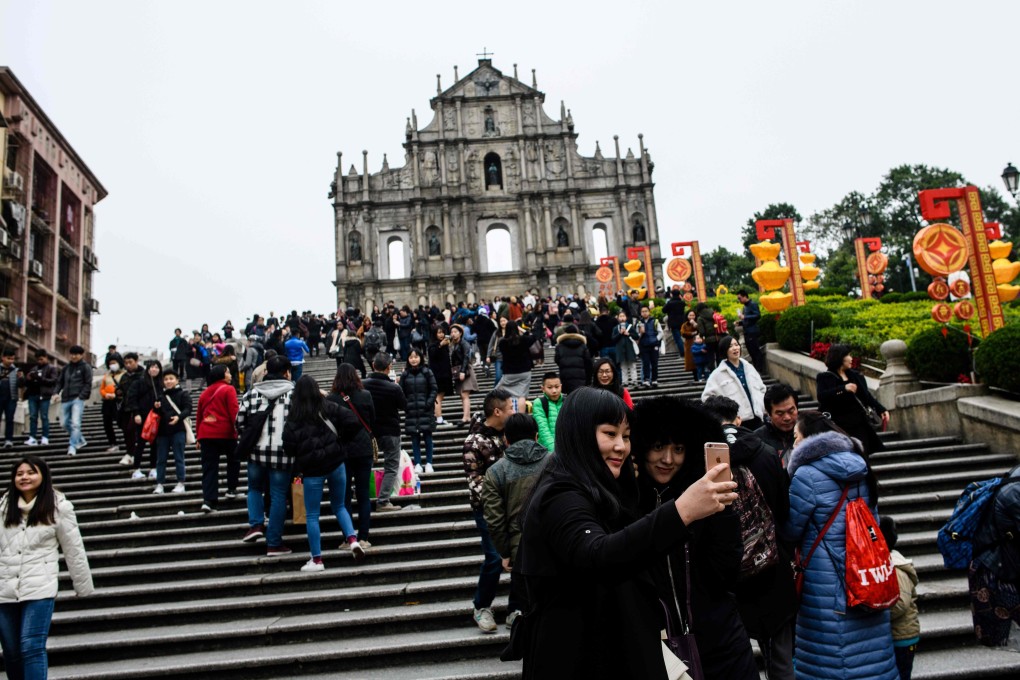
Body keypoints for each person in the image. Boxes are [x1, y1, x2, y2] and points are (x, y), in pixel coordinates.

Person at [515, 387, 738, 678]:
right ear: (579, 433)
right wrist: (683, 510)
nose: (621, 446)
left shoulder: (593, 489)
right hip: (578, 660)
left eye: (627, 435)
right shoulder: (561, 493)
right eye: (610, 434)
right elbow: (597, 555)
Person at [631, 395, 759, 679]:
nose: (668, 459)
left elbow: (725, 572)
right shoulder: (628, 502)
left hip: (720, 643)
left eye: (678, 448)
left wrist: (721, 512)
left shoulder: (706, 497)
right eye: (658, 446)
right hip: (658, 650)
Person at [781, 411, 895, 680]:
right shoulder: (861, 466)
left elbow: (790, 530)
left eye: (796, 437)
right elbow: (874, 522)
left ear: (810, 440)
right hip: (867, 577)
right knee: (872, 655)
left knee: (831, 659)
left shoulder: (806, 475)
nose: (794, 443)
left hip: (827, 583)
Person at [702, 395, 796, 680]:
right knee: (781, 655)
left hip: (727, 573)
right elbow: (783, 509)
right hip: (772, 563)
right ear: (738, 418)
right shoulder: (767, 452)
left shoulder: (703, 462)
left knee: (735, 656)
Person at [0, 456, 93, 678]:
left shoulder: (59, 507)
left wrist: (83, 586)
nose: (25, 477)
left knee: (31, 646)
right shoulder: (3, 508)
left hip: (40, 587)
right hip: (4, 587)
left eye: (31, 472)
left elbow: (74, 549)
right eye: (20, 473)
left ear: (43, 476)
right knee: (11, 652)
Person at [283, 375, 365, 569]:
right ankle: (353, 539)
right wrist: (340, 443)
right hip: (336, 464)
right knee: (340, 506)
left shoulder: (294, 417)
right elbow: (354, 421)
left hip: (312, 470)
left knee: (312, 515)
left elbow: (288, 446)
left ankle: (317, 559)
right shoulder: (328, 406)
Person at [480, 413, 549, 628]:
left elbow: (495, 520)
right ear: (537, 436)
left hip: (521, 552)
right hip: (556, 546)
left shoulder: (495, 472)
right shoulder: (555, 462)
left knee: (529, 611)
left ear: (506, 440)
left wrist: (505, 552)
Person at [462, 388, 513, 633]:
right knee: (494, 557)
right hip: (487, 509)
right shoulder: (474, 441)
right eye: (510, 408)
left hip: (513, 506)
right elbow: (475, 481)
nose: (513, 412)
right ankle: (481, 606)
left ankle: (516, 608)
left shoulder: (507, 435)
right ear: (497, 411)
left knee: (519, 558)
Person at [237, 355, 296, 556]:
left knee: (254, 488)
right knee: (279, 495)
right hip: (283, 453)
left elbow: (240, 422)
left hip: (255, 452)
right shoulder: (294, 394)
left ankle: (255, 525)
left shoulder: (252, 393)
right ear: (287, 372)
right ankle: (274, 543)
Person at [328, 364, 376, 550]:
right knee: (363, 494)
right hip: (363, 449)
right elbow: (372, 421)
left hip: (342, 451)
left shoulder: (332, 399)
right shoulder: (365, 395)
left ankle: (348, 537)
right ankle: (364, 536)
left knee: (344, 496)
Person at [817, 344, 888, 455]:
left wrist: (881, 410)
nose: (851, 358)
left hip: (858, 424)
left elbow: (866, 396)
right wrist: (843, 389)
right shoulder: (825, 377)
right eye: (848, 355)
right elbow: (822, 396)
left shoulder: (855, 376)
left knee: (863, 457)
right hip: (838, 426)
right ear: (839, 357)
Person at [363, 353, 407, 511]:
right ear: (389, 367)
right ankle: (383, 501)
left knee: (365, 465)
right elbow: (403, 405)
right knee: (391, 466)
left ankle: (360, 494)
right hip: (390, 430)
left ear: (373, 365)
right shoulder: (393, 387)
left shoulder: (363, 384)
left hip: (369, 431)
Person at [880, 516, 919, 680]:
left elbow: (900, 604)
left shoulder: (895, 567)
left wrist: (878, 616)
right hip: (897, 635)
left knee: (902, 674)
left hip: (903, 637)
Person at [196, 364, 239, 512]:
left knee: (209, 468)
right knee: (233, 460)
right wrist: (238, 430)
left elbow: (199, 416)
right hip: (225, 432)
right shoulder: (229, 389)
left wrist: (198, 437)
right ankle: (231, 489)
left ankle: (209, 500)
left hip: (206, 434)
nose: (230, 375)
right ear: (221, 375)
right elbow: (234, 411)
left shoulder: (204, 393)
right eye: (228, 372)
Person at [702, 335, 766, 430]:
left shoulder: (749, 368)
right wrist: (726, 413)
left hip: (758, 418)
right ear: (724, 350)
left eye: (736, 344)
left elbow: (762, 388)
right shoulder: (718, 374)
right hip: (737, 422)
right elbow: (706, 398)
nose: (735, 348)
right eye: (730, 346)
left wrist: (762, 407)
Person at [153, 370, 191, 495]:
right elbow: (156, 414)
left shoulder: (183, 394)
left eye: (171, 378)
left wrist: (178, 417)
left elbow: (188, 408)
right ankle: (159, 484)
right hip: (162, 432)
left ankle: (181, 482)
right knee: (161, 459)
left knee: (179, 457)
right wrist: (156, 407)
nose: (168, 381)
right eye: (166, 379)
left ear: (177, 380)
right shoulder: (160, 396)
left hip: (178, 430)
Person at [401, 348, 438, 475]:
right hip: (411, 411)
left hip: (425, 410)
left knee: (428, 437)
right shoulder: (405, 374)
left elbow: (434, 389)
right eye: (411, 357)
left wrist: (428, 403)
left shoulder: (427, 372)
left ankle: (429, 463)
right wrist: (406, 405)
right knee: (414, 439)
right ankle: (417, 463)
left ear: (421, 358)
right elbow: (401, 392)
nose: (413, 359)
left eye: (416, 357)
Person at [126, 360, 164, 481]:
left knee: (155, 444)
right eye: (152, 367)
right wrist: (136, 413)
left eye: (157, 367)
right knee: (140, 443)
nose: (154, 369)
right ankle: (136, 468)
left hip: (156, 417)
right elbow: (132, 398)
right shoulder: (139, 383)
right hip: (142, 417)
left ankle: (153, 468)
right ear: (148, 369)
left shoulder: (161, 384)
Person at [56, 345, 92, 456]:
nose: (73, 356)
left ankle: (72, 446)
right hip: (66, 398)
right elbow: (60, 382)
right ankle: (80, 440)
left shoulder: (85, 367)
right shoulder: (66, 368)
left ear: (81, 355)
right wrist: (56, 392)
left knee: (76, 423)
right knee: (63, 423)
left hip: (77, 398)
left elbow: (88, 383)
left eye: (76, 354)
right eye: (72, 354)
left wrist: (81, 396)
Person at [755, 384, 799, 467]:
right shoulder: (758, 441)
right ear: (768, 413)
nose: (787, 418)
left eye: (791, 411)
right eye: (780, 413)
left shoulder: (810, 432)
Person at [116, 352, 145, 467]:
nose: (128, 365)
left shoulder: (143, 375)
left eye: (130, 362)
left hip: (140, 408)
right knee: (128, 432)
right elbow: (120, 390)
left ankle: (134, 454)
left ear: (136, 361)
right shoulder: (124, 376)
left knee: (135, 431)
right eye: (126, 363)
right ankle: (131, 453)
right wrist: (117, 392)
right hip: (126, 408)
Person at [22, 350, 56, 448]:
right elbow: (26, 384)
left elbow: (53, 381)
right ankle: (32, 437)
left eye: (41, 359)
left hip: (44, 396)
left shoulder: (51, 368)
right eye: (38, 359)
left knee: (44, 416)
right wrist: (28, 379)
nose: (39, 361)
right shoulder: (34, 368)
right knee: (33, 417)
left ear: (46, 357)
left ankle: (45, 437)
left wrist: (40, 378)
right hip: (32, 395)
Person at [496, 320, 535, 400]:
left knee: (497, 392)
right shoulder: (524, 340)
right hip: (525, 371)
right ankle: (520, 412)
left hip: (509, 373)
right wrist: (522, 330)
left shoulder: (502, 342)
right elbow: (533, 337)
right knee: (522, 395)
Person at [449, 324, 477, 427]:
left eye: (455, 332)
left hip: (464, 371)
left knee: (465, 394)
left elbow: (466, 357)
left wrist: (463, 371)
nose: (453, 334)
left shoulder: (464, 343)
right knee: (462, 395)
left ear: (460, 333)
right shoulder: (454, 344)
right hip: (458, 371)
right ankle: (467, 416)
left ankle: (465, 417)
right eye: (452, 332)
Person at [553, 324, 592, 394]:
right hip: (580, 376)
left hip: (565, 376)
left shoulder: (560, 346)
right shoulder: (583, 346)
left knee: (569, 396)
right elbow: (588, 362)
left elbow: (557, 360)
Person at [428, 325, 454, 427]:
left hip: (445, 374)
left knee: (440, 396)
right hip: (438, 375)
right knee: (438, 397)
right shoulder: (433, 345)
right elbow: (432, 354)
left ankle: (437, 417)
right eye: (439, 332)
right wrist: (440, 345)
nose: (441, 334)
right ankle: (439, 419)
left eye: (443, 332)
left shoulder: (445, 344)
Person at [99, 354, 126, 453]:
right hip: (107, 401)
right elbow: (101, 388)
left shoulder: (124, 374)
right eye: (110, 363)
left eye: (114, 363)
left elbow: (126, 388)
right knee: (107, 423)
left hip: (119, 401)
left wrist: (116, 395)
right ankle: (113, 443)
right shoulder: (107, 376)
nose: (112, 365)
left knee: (121, 423)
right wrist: (105, 394)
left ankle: (130, 441)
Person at [531, 373, 562, 452]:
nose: (554, 391)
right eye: (550, 387)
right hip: (547, 452)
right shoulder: (539, 403)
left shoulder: (567, 401)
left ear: (561, 386)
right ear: (543, 388)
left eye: (557, 387)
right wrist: (554, 451)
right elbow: (543, 430)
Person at [737, 290, 764, 372]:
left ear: (745, 296)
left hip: (752, 331)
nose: (739, 300)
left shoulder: (753, 304)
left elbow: (757, 315)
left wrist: (745, 317)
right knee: (751, 351)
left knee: (755, 350)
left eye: (740, 298)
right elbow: (746, 319)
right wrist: (740, 322)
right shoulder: (745, 307)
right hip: (747, 332)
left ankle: (759, 369)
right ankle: (756, 368)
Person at [611, 310, 639, 387]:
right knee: (623, 367)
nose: (622, 318)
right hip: (620, 350)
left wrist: (629, 333)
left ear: (626, 317)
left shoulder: (630, 327)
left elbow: (637, 336)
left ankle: (634, 380)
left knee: (632, 366)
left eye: (623, 316)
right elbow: (613, 339)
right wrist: (620, 333)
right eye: (620, 316)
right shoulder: (616, 328)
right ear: (618, 318)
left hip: (630, 349)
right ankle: (625, 381)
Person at [662, 288, 687, 356]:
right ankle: (686, 351)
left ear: (671, 294)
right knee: (683, 337)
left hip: (673, 323)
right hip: (682, 322)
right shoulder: (682, 302)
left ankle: (682, 353)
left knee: (677, 338)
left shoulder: (670, 303)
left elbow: (663, 310)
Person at [695, 303, 720, 372]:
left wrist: (700, 336)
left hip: (709, 340)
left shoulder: (700, 318)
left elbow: (702, 332)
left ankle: (713, 373)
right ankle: (721, 371)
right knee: (719, 356)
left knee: (711, 358)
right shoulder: (714, 314)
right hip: (718, 338)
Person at [486, 315, 508, 386]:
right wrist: (488, 356)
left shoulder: (511, 331)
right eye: (501, 321)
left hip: (509, 358)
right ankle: (495, 391)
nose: (502, 323)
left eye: (504, 320)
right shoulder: (496, 332)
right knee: (498, 377)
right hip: (498, 358)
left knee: (506, 378)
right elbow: (491, 344)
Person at [680, 310, 699, 381]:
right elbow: (683, 333)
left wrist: (695, 325)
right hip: (689, 343)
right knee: (692, 360)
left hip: (699, 342)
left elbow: (700, 330)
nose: (691, 317)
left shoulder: (697, 322)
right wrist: (692, 333)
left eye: (693, 315)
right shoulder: (684, 325)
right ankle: (696, 377)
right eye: (690, 315)